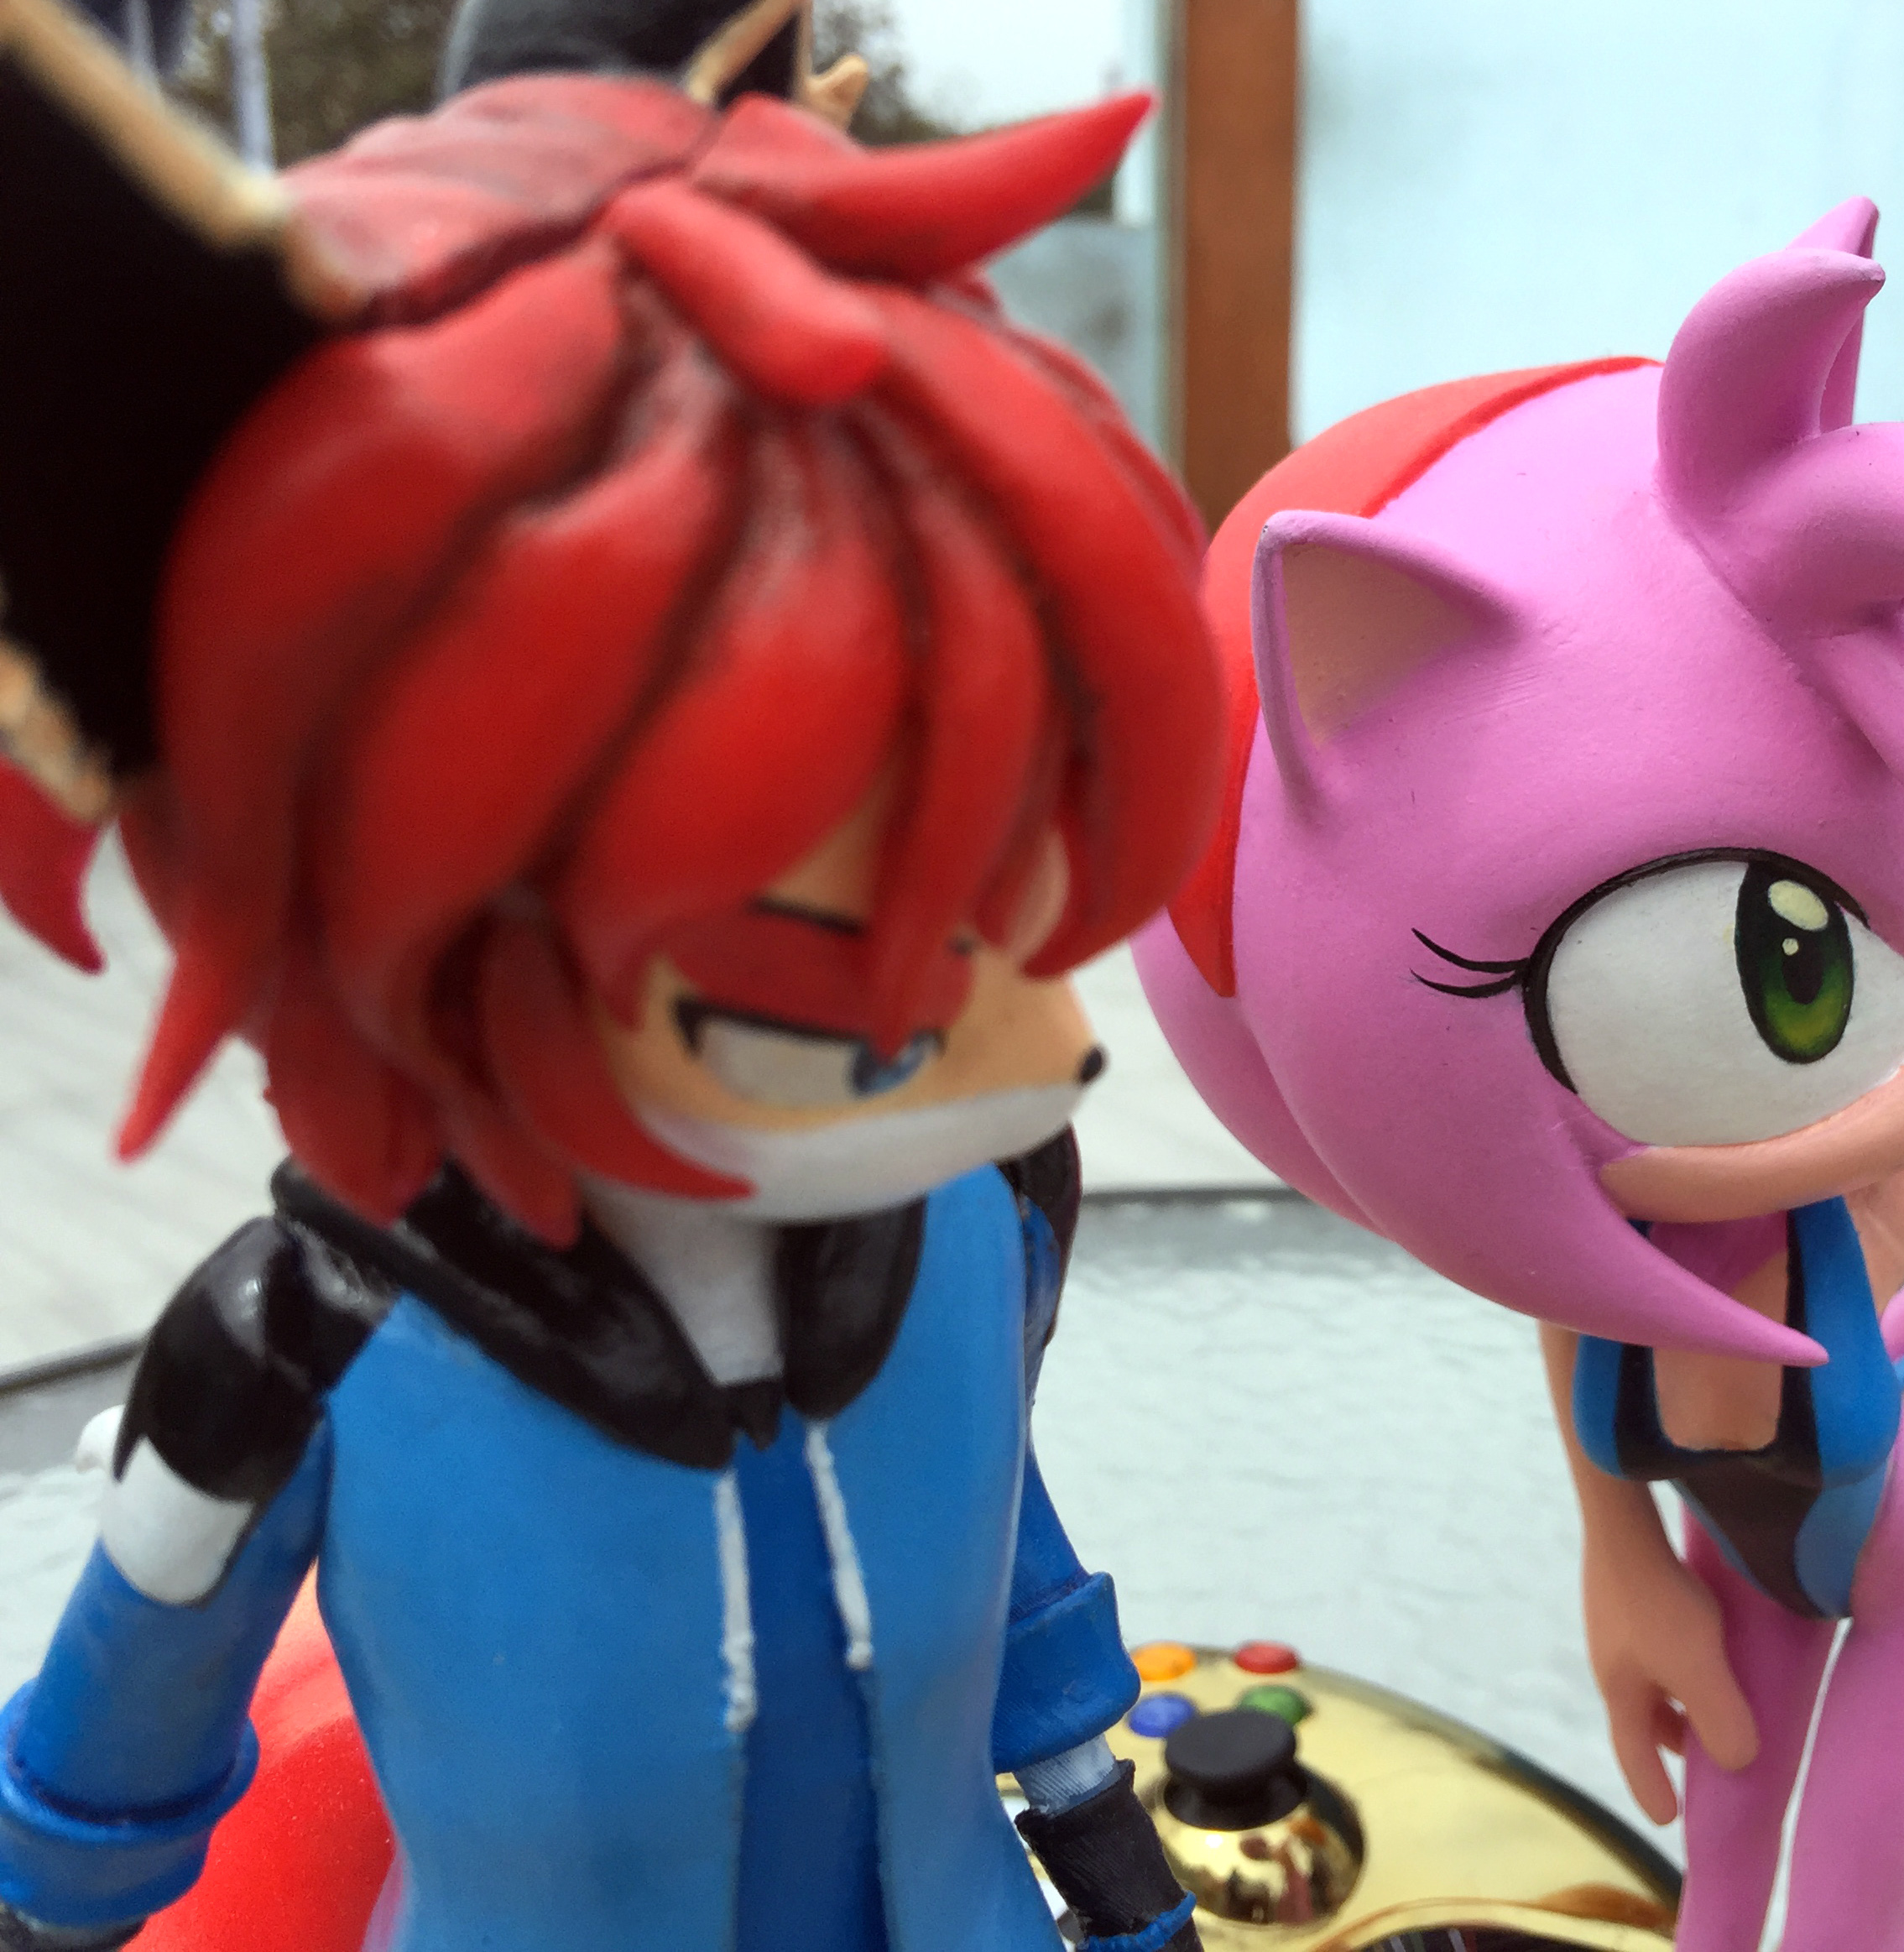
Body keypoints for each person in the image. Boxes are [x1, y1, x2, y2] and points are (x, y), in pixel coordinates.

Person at [0, 0, 1223, 1944]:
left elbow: (997, 1528)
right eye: (833, 973)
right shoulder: (290, 1353)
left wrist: (1105, 1839)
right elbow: (107, 1756)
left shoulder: (969, 1218)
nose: (1044, 1048)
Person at [1133, 201, 1904, 1952]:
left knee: (1846, 1915)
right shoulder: (1622, 1278)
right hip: (1738, 1557)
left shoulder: (1864, 1213)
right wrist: (1620, 1556)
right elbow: (1584, 1352)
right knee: (1719, 1884)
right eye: (1798, 977)